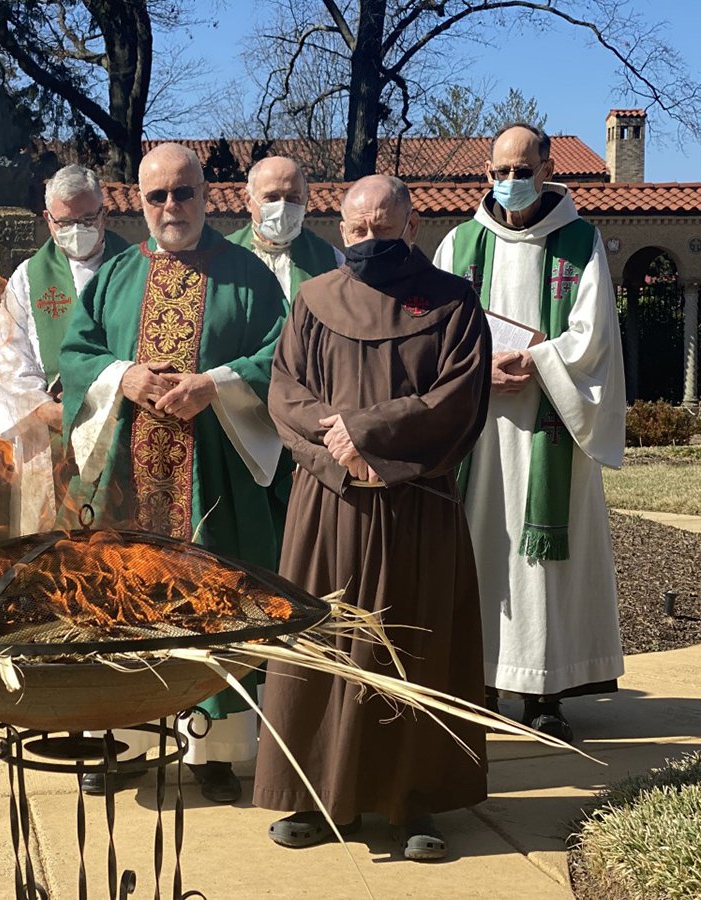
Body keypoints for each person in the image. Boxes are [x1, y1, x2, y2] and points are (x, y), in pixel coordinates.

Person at [254, 175, 491, 860]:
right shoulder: (314, 298)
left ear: (410, 227)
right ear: (342, 228)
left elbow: (458, 400)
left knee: (412, 649)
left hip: (415, 508)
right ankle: (315, 794)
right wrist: (341, 456)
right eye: (356, 230)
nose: (367, 241)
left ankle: (412, 801)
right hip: (327, 508)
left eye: (382, 230)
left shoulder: (450, 303)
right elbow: (284, 394)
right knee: (324, 646)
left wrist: (368, 434)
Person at [59, 143, 289, 803]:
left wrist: (215, 385)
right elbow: (78, 352)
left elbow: (282, 354)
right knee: (125, 600)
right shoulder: (117, 274)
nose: (170, 207)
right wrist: (122, 375)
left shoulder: (248, 275)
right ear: (138, 200)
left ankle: (212, 751)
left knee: (212, 599)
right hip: (131, 483)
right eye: (156, 195)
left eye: (183, 193)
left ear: (207, 194)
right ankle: (126, 741)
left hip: (214, 476)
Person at [433, 123, 626, 741]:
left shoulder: (579, 241)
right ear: (486, 173)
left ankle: (545, 691)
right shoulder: (460, 244)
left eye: (523, 170)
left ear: (546, 169)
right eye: (500, 171)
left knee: (541, 564)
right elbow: (432, 333)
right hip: (480, 431)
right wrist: (478, 369)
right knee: (480, 546)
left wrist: (538, 360)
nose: (511, 182)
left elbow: (592, 335)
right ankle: (480, 681)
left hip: (550, 428)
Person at [0, 164, 129, 537]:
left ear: (105, 212)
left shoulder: (136, 268)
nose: (76, 231)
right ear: (47, 220)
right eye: (64, 222)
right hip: (48, 434)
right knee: (54, 558)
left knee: (118, 553)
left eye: (87, 219)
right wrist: (46, 410)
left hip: (120, 429)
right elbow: (8, 358)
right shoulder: (26, 278)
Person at [225, 155, 343, 301]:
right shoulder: (221, 257)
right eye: (272, 197)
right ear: (248, 201)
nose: (282, 207)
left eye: (293, 198)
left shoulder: (332, 260)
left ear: (305, 202)